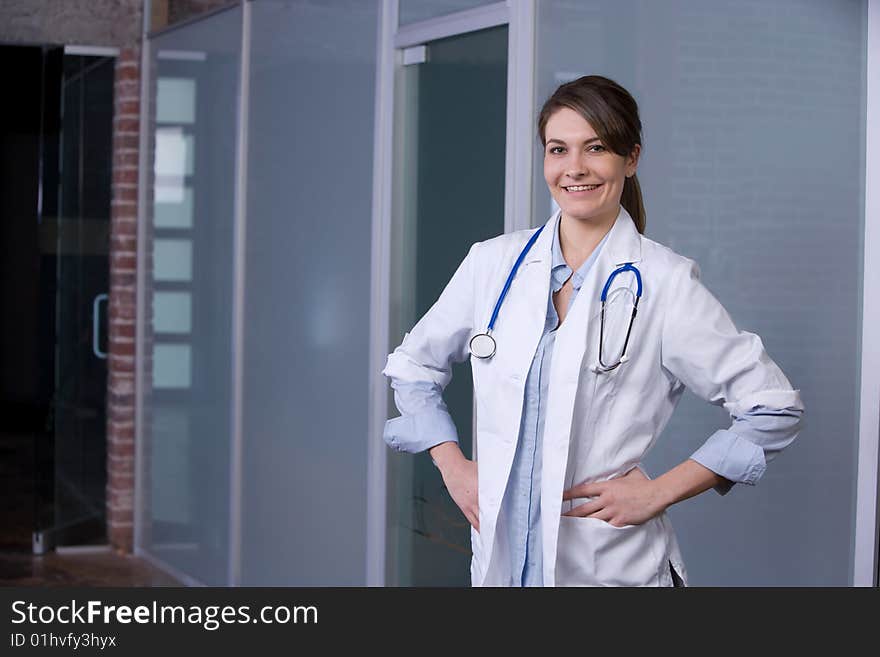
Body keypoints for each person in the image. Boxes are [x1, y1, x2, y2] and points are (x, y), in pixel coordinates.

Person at [381, 75, 804, 587]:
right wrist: (453, 468)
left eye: (596, 147)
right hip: (503, 566)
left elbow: (773, 408)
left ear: (631, 159)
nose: (574, 168)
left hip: (610, 570)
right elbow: (412, 367)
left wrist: (657, 493)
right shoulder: (491, 264)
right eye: (558, 149)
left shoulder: (663, 282)